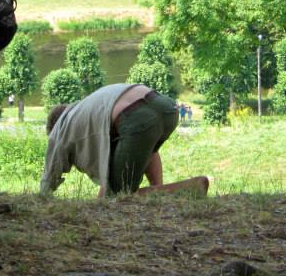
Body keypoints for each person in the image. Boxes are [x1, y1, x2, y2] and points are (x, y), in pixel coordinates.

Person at [41, 83, 209, 198]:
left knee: (121, 197)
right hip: (165, 107)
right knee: (144, 151)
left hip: (137, 117)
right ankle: (159, 193)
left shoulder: (60, 129)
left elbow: (49, 177)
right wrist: (156, 189)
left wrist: (43, 197)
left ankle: (192, 187)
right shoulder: (87, 109)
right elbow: (138, 155)